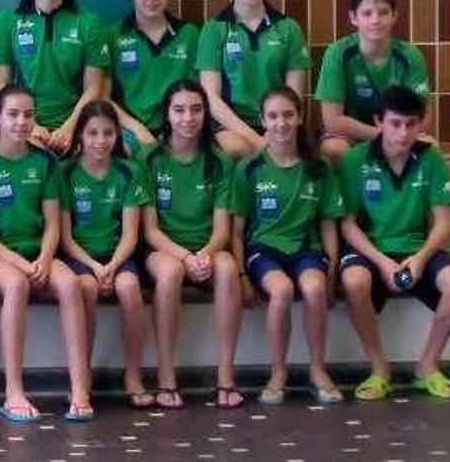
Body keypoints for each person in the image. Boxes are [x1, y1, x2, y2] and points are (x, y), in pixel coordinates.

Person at [0, 84, 90, 423]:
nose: (21, 122)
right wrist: (20, 263)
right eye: (13, 114)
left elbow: (52, 225)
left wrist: (45, 258)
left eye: (28, 115)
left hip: (38, 253)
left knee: (72, 284)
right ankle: (13, 391)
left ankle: (80, 389)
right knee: (16, 285)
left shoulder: (46, 161)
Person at [337, 86, 450, 400]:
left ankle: (427, 367)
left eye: (412, 124)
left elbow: (443, 222)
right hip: (370, 249)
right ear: (379, 122)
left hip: (416, 248)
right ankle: (379, 370)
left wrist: (420, 258)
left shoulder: (430, 158)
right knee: (354, 280)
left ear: (421, 124)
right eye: (396, 123)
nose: (403, 132)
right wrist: (383, 263)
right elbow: (347, 224)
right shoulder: (355, 160)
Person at [230, 87, 344, 404]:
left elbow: (328, 223)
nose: (281, 123)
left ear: (299, 118)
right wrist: (241, 276)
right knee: (280, 291)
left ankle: (318, 370)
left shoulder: (318, 168)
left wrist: (332, 270)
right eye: (273, 116)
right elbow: (236, 229)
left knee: (315, 288)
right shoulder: (249, 168)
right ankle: (278, 371)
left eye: (288, 115)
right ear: (262, 121)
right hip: (263, 249)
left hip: (306, 249)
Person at [138, 80, 245, 409]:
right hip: (163, 248)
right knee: (169, 274)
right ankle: (167, 378)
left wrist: (205, 255)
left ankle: (225, 378)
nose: (188, 118)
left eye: (196, 110)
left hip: (206, 246)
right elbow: (151, 231)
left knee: (228, 270)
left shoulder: (219, 161)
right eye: (179, 110)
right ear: (167, 115)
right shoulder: (149, 158)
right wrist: (185, 256)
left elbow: (222, 230)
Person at [59, 100, 152, 409]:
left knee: (129, 288)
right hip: (80, 255)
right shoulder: (65, 173)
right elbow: (65, 236)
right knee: (84, 288)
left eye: (108, 133)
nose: (101, 141)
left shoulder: (130, 171)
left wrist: (111, 265)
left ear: (118, 136)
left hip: (117, 254)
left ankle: (134, 376)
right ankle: (80, 378)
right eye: (92, 133)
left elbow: (130, 234)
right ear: (80, 136)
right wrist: (93, 266)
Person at [0, 0, 110, 155]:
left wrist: (69, 128)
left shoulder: (90, 23)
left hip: (76, 123)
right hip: (22, 122)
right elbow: (1, 83)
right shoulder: (6, 21)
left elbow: (93, 88)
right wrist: (30, 124)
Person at [197, 0, 311, 159]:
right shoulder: (213, 29)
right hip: (231, 124)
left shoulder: (289, 28)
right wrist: (256, 139)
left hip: (278, 121)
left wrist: (276, 128)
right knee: (237, 149)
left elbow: (294, 96)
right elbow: (211, 99)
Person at [316, 0, 432, 163]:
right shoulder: (337, 53)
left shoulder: (410, 56)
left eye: (383, 12)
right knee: (334, 149)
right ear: (353, 17)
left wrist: (395, 135)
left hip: (399, 133)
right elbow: (332, 120)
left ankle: (404, 192)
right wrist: (383, 135)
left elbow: (423, 117)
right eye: (367, 13)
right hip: (348, 136)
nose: (375, 20)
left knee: (430, 148)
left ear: (394, 16)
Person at [110, 0, 199, 152]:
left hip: (181, 127)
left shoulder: (190, 34)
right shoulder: (113, 36)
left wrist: (174, 129)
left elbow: (198, 92)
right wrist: (138, 130)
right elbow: (103, 96)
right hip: (130, 129)